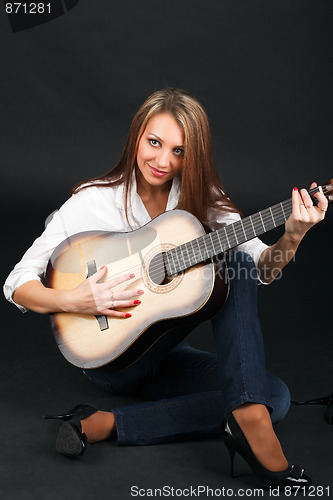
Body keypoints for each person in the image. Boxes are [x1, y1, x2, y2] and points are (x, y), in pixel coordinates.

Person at [4, 88, 328, 488]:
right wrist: (73, 298)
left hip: (165, 350)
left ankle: (108, 424)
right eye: (154, 143)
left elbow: (263, 269)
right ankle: (249, 420)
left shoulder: (203, 199)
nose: (162, 161)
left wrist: (293, 236)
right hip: (111, 359)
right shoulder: (92, 201)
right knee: (252, 388)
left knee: (272, 395)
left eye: (179, 151)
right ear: (136, 137)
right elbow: (17, 282)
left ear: (194, 155)